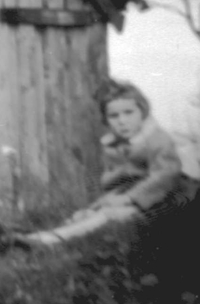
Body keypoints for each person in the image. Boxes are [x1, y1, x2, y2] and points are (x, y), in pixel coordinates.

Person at [21, 79, 200, 247]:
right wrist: (100, 203)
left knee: (110, 215)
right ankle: (35, 236)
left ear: (142, 112)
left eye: (129, 113)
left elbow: (166, 175)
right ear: (106, 120)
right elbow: (121, 183)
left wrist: (128, 198)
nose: (122, 121)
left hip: (171, 196)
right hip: (140, 195)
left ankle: (52, 239)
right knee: (90, 213)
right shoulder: (116, 145)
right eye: (114, 116)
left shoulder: (156, 139)